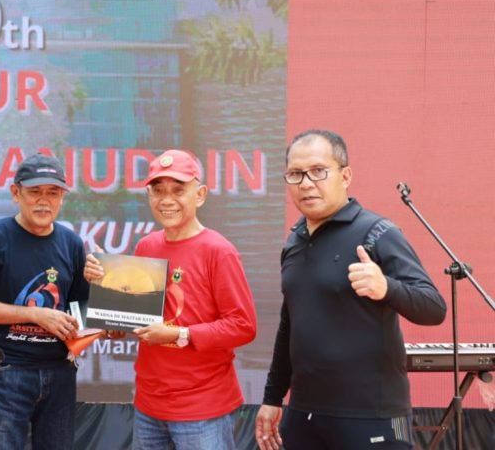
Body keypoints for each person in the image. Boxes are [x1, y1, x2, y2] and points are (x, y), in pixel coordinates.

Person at [255, 130, 447, 450]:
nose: (306, 183)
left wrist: (386, 287)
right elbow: (290, 326)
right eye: (295, 174)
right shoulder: (294, 242)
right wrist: (273, 397)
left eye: (318, 171)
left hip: (372, 415)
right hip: (304, 413)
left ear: (345, 176)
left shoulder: (377, 232)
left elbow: (433, 307)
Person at [86, 149, 257, 450]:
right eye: (158, 190)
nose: (167, 200)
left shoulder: (219, 251)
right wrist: (108, 301)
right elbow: (135, 318)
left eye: (178, 190)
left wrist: (181, 334)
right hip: (149, 404)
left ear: (200, 194)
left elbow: (243, 326)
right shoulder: (146, 246)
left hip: (202, 408)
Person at [0, 153, 90, 450]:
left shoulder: (72, 243)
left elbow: (80, 311)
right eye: (35, 192)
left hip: (60, 371)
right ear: (16, 193)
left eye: (53, 193)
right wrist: (36, 315)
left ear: (62, 198)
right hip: (8, 370)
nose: (44, 201)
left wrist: (108, 326)